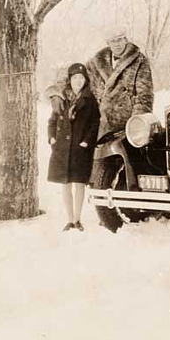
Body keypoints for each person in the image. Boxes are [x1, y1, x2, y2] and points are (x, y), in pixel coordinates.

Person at [48, 25, 154, 139]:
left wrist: (135, 126)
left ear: (125, 40)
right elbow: (77, 75)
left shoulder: (139, 61)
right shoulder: (98, 61)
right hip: (98, 123)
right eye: (113, 41)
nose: (116, 44)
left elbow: (144, 97)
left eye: (119, 40)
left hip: (125, 126)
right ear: (108, 43)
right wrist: (56, 93)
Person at [47, 63, 100, 231]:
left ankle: (78, 219)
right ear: (70, 80)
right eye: (75, 78)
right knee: (65, 184)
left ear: (86, 80)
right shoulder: (61, 98)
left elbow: (95, 123)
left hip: (80, 148)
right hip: (62, 147)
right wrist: (52, 138)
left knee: (79, 184)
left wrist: (86, 141)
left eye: (81, 78)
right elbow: (52, 121)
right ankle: (69, 219)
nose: (78, 81)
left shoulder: (89, 100)